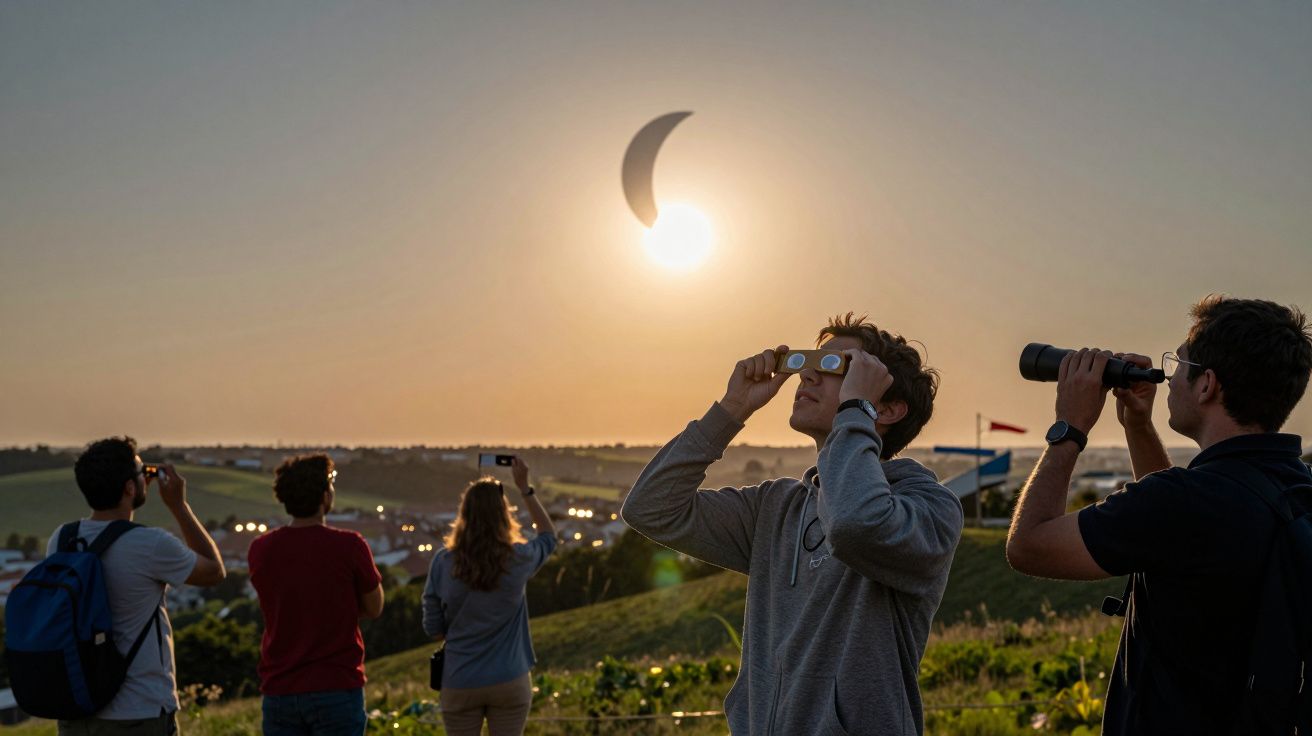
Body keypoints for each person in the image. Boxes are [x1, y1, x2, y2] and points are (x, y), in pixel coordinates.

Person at [621, 313, 964, 735]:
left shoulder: (928, 508)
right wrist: (730, 410)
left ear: (888, 408)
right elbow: (650, 508)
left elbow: (855, 523)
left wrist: (856, 411)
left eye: (837, 368)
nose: (809, 378)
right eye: (809, 364)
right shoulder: (775, 506)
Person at [1006, 295, 1312, 734]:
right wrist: (1138, 424)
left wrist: (1069, 427)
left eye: (1180, 365)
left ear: (1206, 385)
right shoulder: (1295, 486)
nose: (1170, 380)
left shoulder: (1188, 502)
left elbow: (1029, 545)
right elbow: (1173, 537)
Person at [50, 437, 227, 735]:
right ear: (130, 489)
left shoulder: (62, 538)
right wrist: (179, 506)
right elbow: (214, 571)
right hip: (139, 710)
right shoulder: (149, 543)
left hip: (78, 708)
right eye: (140, 472)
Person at [248, 454, 385, 736]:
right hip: (336, 685)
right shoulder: (350, 545)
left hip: (280, 688)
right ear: (325, 496)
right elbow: (374, 607)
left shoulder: (261, 550)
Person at [422, 457, 556, 736]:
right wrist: (525, 488)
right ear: (503, 515)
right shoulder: (518, 559)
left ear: (464, 515)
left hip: (460, 678)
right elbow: (548, 537)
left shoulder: (443, 562)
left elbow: (432, 626)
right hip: (510, 677)